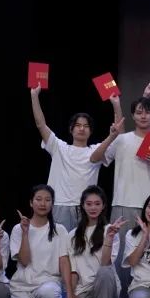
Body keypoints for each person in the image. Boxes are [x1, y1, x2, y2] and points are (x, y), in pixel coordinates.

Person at [91, 96, 150, 298]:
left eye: (147, 112)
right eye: (139, 112)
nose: (143, 116)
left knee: (146, 255)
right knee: (121, 254)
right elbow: (96, 158)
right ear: (132, 115)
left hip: (149, 208)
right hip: (122, 203)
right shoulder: (121, 139)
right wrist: (111, 135)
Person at [30, 84, 120, 229]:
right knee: (58, 243)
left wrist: (116, 105)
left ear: (91, 131)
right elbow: (41, 124)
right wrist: (34, 96)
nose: (82, 128)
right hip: (59, 205)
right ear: (71, 129)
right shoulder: (59, 147)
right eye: (78, 125)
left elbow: (118, 134)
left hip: (85, 208)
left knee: (83, 243)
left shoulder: (96, 149)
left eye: (86, 126)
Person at [10, 185, 70, 298]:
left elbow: (64, 262)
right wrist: (25, 233)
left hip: (48, 283)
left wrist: (69, 292)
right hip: (23, 286)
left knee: (50, 293)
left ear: (52, 203)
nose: (43, 204)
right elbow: (24, 261)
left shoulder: (59, 230)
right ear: (31, 203)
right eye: (38, 199)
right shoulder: (18, 229)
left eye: (47, 200)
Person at [65, 186, 124, 298]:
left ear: (103, 206)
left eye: (97, 204)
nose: (93, 208)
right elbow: (73, 270)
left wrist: (109, 238)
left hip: (106, 285)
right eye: (89, 204)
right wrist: (71, 295)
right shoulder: (72, 235)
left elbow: (105, 264)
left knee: (104, 272)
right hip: (83, 289)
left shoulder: (110, 230)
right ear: (83, 205)